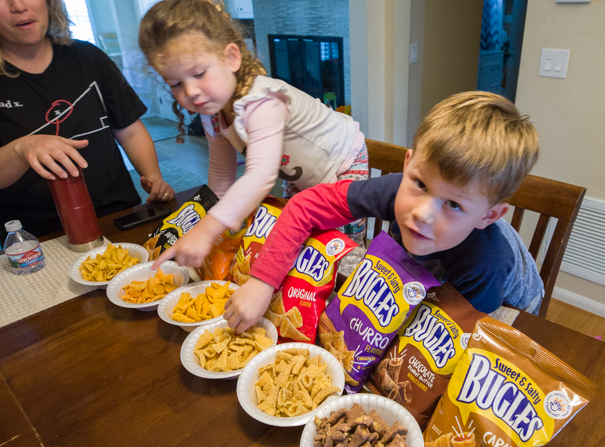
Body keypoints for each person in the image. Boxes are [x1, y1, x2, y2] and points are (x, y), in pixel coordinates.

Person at [223, 91, 545, 333]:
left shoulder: (487, 261)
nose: (423, 213)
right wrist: (262, 282)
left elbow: (461, 338)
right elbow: (306, 206)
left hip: (505, 308)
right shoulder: (394, 190)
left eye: (454, 204)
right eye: (420, 184)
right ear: (408, 165)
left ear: (489, 215)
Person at [140, 0, 368, 270]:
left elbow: (260, 175)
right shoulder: (212, 112)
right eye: (176, 84)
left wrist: (208, 230)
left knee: (340, 253)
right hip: (298, 172)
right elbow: (221, 181)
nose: (190, 92)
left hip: (342, 162)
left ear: (231, 58)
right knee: (300, 245)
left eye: (199, 73)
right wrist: (199, 223)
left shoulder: (263, 101)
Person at [0, 0, 176, 240]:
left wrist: (153, 175)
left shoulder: (88, 56)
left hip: (120, 215)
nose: (18, 6)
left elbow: (129, 129)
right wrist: (21, 149)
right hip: (38, 237)